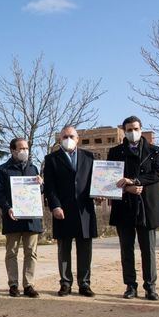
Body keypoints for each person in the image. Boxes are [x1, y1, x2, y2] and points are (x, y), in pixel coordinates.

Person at [107, 116, 159, 301]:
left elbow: (158, 174)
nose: (132, 132)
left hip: (146, 207)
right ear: (124, 131)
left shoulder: (153, 151)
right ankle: (130, 286)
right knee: (126, 249)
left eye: (135, 128)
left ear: (141, 129)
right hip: (124, 206)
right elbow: (109, 178)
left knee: (148, 249)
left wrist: (137, 181)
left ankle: (150, 286)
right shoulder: (115, 152)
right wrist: (127, 187)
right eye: (128, 129)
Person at [43, 126, 97, 297]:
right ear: (60, 139)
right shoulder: (51, 159)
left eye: (71, 136)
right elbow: (50, 186)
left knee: (85, 250)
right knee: (64, 249)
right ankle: (65, 283)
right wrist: (55, 206)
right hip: (62, 210)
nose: (68, 139)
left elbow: (95, 181)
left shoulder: (89, 157)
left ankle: (84, 283)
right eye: (65, 136)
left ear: (78, 138)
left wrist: (100, 193)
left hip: (85, 210)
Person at [0, 138, 43, 298]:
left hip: (31, 218)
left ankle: (29, 285)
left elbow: (39, 192)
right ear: (13, 150)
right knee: (12, 252)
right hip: (12, 218)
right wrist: (7, 208)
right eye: (21, 148)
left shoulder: (33, 168)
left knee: (31, 252)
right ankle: (13, 284)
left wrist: (41, 184)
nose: (24, 151)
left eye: (26, 148)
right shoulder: (2, 170)